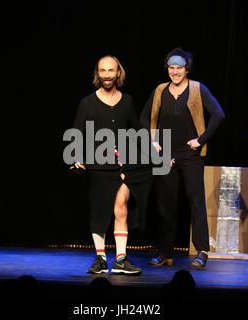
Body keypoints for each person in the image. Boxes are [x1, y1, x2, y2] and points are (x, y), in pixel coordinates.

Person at [141, 48, 225, 268]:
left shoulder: (198, 89)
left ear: (187, 68)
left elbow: (218, 114)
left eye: (179, 68)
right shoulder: (160, 90)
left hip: (190, 154)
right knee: (164, 204)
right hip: (164, 155)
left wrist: (201, 139)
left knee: (196, 202)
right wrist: (153, 141)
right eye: (171, 68)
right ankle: (165, 252)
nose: (175, 72)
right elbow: (144, 117)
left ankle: (202, 251)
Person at [70, 55, 152, 275]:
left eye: (111, 71)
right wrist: (77, 157)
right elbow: (77, 133)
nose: (107, 75)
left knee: (121, 209)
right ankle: (100, 258)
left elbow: (135, 131)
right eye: (103, 71)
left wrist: (151, 146)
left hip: (125, 165)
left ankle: (121, 259)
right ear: (98, 74)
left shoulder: (127, 101)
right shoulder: (87, 103)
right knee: (100, 213)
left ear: (118, 73)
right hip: (99, 165)